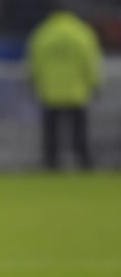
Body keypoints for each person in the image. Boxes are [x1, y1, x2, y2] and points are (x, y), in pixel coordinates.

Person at [26, 9, 103, 170]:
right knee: (79, 131)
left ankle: (51, 162)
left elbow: (34, 62)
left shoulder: (43, 33)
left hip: (50, 92)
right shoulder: (82, 33)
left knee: (51, 132)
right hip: (77, 92)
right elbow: (91, 62)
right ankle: (83, 161)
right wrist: (95, 84)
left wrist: (32, 83)